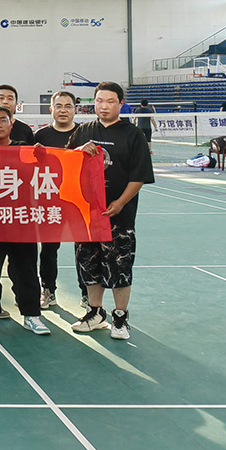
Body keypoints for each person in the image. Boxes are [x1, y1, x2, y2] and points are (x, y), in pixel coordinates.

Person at [68, 82, 154, 340]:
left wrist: (120, 202)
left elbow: (139, 175)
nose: (104, 106)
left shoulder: (133, 134)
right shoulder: (83, 131)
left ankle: (120, 317)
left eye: (110, 101)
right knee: (89, 264)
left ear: (120, 104)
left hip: (119, 215)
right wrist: (78, 151)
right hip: (87, 214)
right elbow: (66, 164)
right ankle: (95, 313)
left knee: (119, 265)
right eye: (99, 101)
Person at [0, 105, 49, 336]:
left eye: (2, 120)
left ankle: (32, 315)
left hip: (20, 220)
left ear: (11, 123)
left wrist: (42, 157)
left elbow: (45, 173)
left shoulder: (25, 150)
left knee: (26, 271)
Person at [33, 91, 84, 309]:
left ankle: (87, 292)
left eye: (68, 106)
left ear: (75, 110)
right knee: (48, 248)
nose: (63, 110)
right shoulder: (41, 136)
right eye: (59, 106)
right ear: (51, 109)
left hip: (78, 200)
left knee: (84, 248)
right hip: (50, 201)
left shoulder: (85, 134)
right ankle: (48, 290)